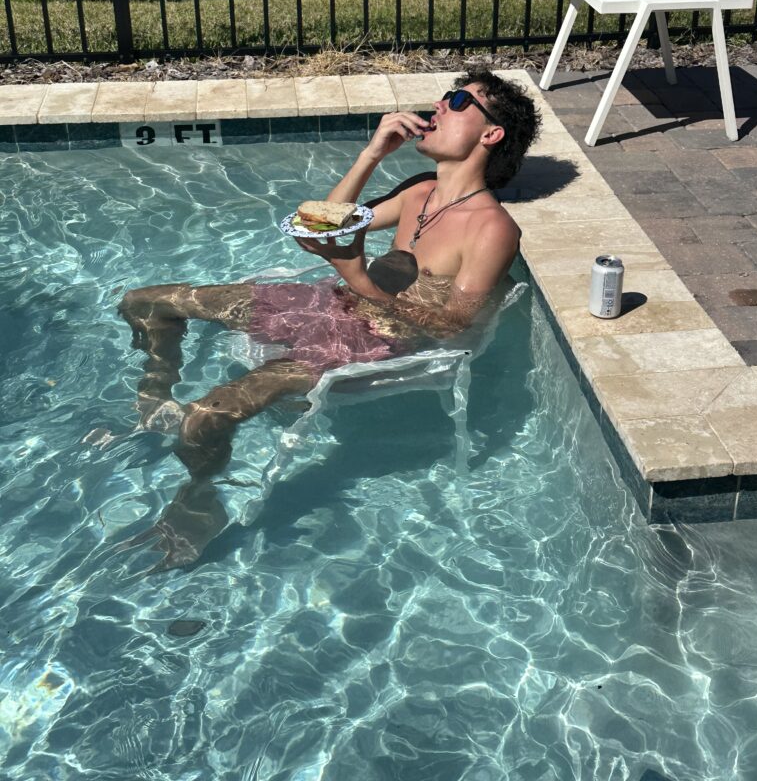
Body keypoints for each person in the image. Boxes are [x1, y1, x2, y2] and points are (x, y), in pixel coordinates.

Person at [114, 69, 540, 562]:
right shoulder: (420, 192)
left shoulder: (491, 228)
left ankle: (198, 499)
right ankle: (155, 403)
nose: (440, 105)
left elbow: (453, 327)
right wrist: (372, 154)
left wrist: (359, 279)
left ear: (491, 134)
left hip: (370, 343)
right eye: (445, 96)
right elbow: (316, 224)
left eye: (460, 101)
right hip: (328, 302)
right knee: (145, 301)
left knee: (204, 421)